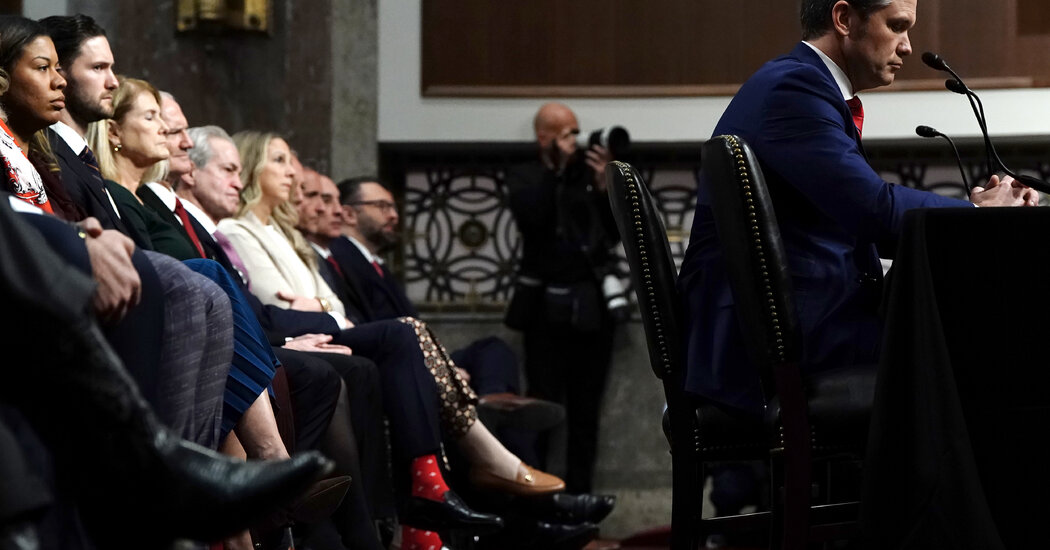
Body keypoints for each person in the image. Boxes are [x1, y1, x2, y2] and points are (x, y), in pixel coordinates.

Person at [677, 0, 1039, 416]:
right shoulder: (793, 89)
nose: (908, 46)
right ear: (844, 19)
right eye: (897, 26)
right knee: (988, 346)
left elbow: (854, 215)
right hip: (778, 343)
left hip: (791, 324)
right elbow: (872, 209)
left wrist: (973, 210)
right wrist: (979, 215)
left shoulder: (799, 84)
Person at [504, 102, 621, 494]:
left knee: (586, 414)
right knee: (542, 411)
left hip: (592, 311)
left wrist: (604, 187)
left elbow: (612, 236)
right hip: (543, 313)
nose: (575, 139)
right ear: (544, 138)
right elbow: (534, 221)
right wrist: (556, 172)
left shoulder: (590, 174)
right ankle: (540, 503)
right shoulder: (525, 174)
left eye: (576, 130)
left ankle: (581, 502)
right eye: (566, 133)